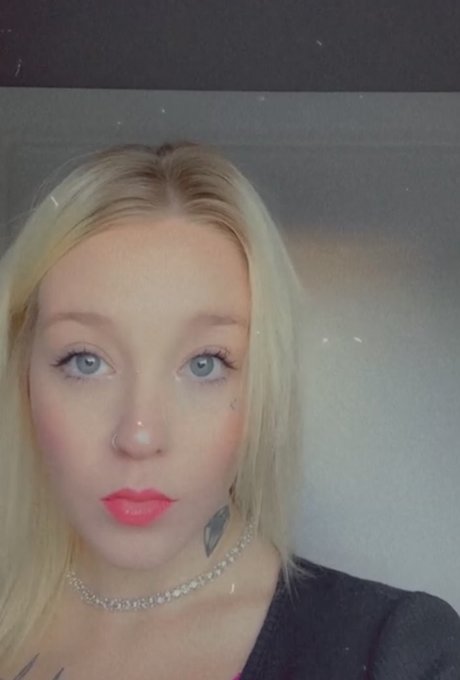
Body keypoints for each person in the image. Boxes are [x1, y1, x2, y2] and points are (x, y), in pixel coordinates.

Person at [0, 142, 458, 680]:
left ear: (264, 384)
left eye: (204, 364)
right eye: (86, 360)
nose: (140, 435)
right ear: (22, 374)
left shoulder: (399, 654)